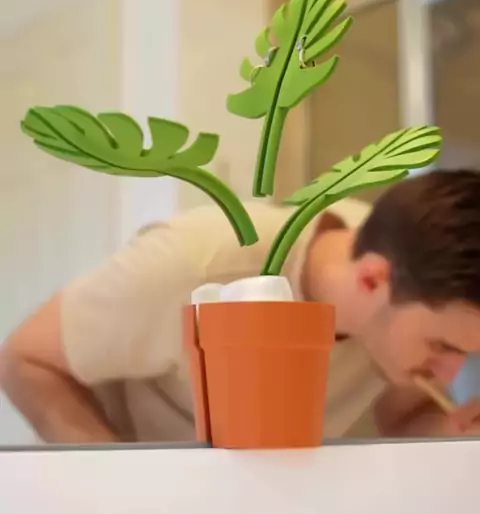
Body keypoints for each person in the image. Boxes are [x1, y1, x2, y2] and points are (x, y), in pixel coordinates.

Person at [1, 169, 480, 444]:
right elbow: (23, 359)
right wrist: (121, 486)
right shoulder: (196, 264)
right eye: (442, 346)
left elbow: (404, 417)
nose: (450, 372)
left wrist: (451, 428)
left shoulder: (410, 272)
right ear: (372, 278)